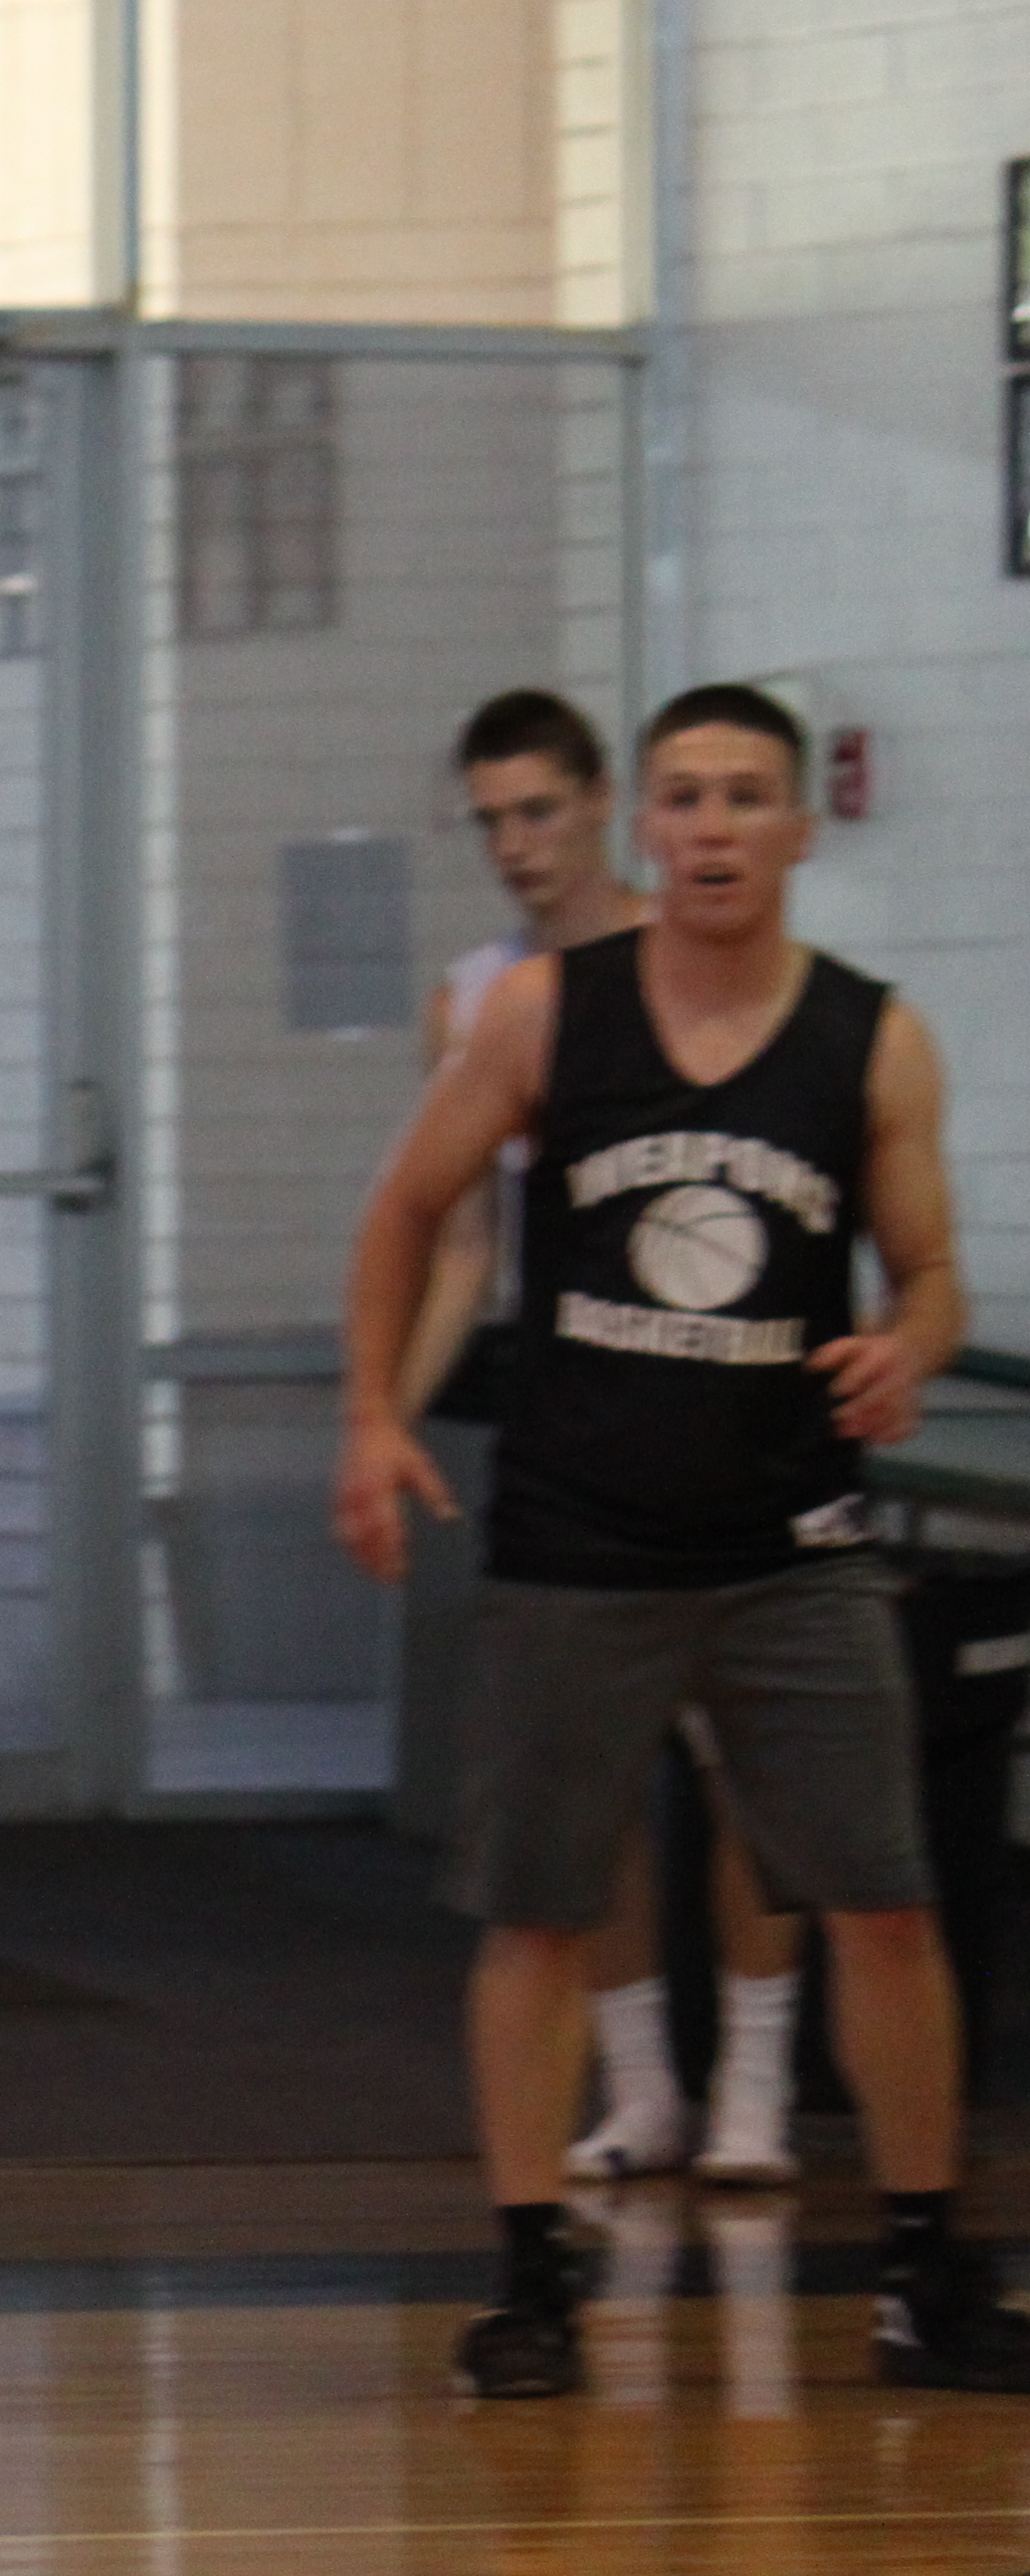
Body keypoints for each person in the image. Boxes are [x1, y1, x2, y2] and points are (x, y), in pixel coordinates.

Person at [338, 683, 1028, 2402]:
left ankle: (925, 2274)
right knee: (535, 1915)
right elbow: (407, 1207)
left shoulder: (868, 1037)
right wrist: (369, 1417)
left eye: (744, 796)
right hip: (580, 1538)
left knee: (884, 1902)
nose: (713, 826)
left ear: (799, 827)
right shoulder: (542, 1015)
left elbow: (929, 1272)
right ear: (645, 826)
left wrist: (909, 1346)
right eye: (686, 797)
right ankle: (530, 2280)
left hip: (791, 1540)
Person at [406, 690, 809, 2190]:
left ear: (597, 808)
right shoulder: (478, 1002)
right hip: (573, 1413)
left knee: (745, 1772)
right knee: (590, 1788)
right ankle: (644, 2089)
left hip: (728, 1399)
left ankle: (757, 2088)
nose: (517, 844)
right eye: (491, 822)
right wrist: (384, 1410)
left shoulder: (691, 957)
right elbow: (458, 1240)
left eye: (538, 812)